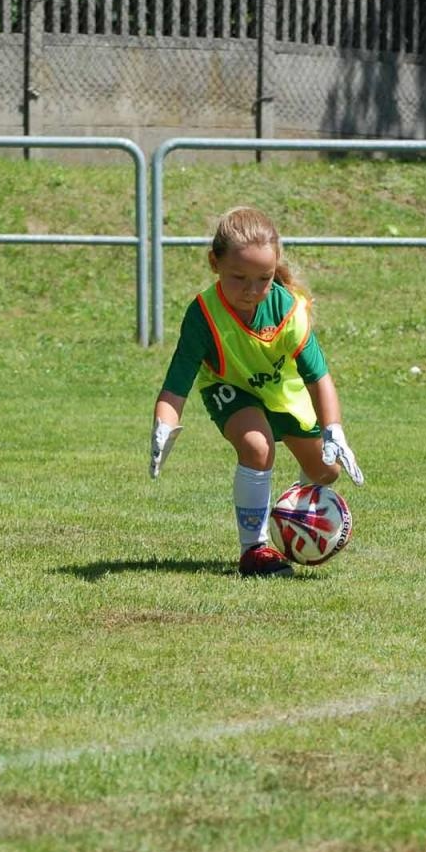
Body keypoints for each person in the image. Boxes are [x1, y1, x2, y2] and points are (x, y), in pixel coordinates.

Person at [149, 206, 365, 577]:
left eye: (263, 279)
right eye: (239, 278)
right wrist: (163, 426)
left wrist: (334, 430)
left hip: (282, 390)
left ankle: (295, 516)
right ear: (214, 263)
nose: (252, 291)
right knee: (256, 445)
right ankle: (255, 550)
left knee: (327, 472)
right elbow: (176, 384)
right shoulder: (203, 314)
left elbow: (319, 377)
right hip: (229, 386)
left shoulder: (288, 309)